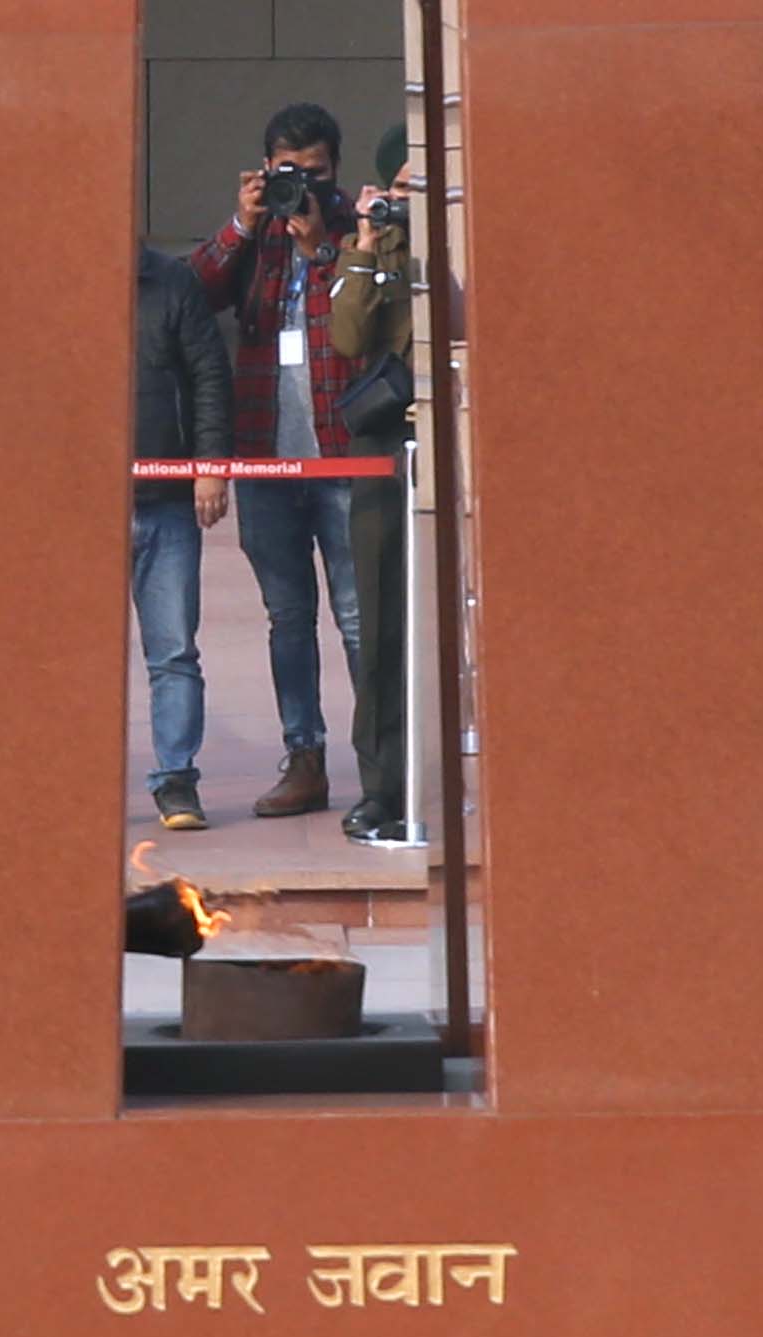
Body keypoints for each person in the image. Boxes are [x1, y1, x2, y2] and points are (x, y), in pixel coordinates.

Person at [191, 101, 366, 821]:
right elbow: (193, 294)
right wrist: (242, 221)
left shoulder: (358, 228)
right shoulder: (255, 233)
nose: (302, 186)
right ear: (266, 170)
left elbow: (366, 323)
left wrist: (321, 244)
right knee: (288, 616)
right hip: (268, 454)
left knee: (356, 616)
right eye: (287, 173)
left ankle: (381, 764)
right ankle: (305, 758)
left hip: (344, 456)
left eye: (315, 174)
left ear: (335, 172)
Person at [329, 125, 424, 842]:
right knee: (383, 620)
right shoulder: (370, 249)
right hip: (388, 443)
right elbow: (349, 339)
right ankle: (382, 788)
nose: (409, 201)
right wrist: (366, 241)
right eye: (400, 189)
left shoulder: (474, 231)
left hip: (467, 432)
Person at [133, 243, 233, 830]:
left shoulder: (173, 282)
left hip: (168, 499)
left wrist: (210, 464)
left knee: (173, 651)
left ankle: (176, 781)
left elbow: (209, 377)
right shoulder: (60, 281)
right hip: (82, 505)